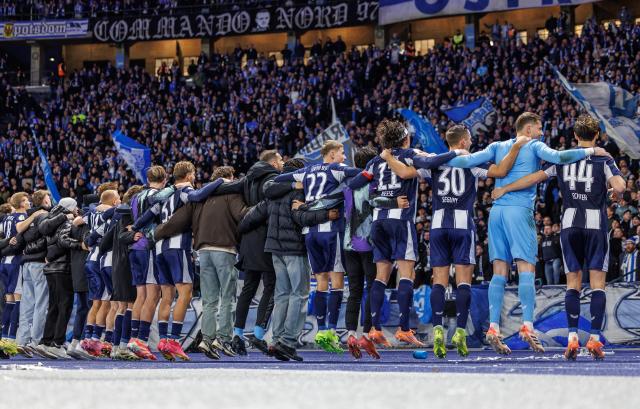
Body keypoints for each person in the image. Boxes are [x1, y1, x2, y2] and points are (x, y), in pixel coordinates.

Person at [447, 112, 611, 355]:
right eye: (539, 128)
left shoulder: (496, 145)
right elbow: (559, 157)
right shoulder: (534, 145)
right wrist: (590, 151)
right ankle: (527, 325)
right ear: (529, 129)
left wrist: (441, 158)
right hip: (519, 211)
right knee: (526, 268)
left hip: (496, 213)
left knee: (499, 271)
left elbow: (465, 161)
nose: (542, 132)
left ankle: (493, 326)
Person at [381, 125, 529, 358]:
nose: (471, 142)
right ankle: (460, 331)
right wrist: (516, 148)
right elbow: (500, 172)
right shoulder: (473, 162)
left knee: (439, 281)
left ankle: (438, 329)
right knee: (463, 283)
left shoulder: (434, 162)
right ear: (462, 142)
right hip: (462, 226)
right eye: (469, 138)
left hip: (438, 226)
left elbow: (405, 173)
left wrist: (388, 156)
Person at [492, 114, 626, 360]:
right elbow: (619, 188)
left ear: (575, 136)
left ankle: (573, 337)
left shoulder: (564, 159)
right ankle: (595, 339)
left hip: (569, 224)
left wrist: (505, 188)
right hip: (596, 224)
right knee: (597, 284)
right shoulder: (602, 158)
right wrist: (611, 175)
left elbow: (535, 178)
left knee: (572, 284)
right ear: (597, 136)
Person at [364, 120, 463, 351]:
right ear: (405, 138)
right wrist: (454, 152)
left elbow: (362, 189)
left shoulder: (374, 160)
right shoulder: (409, 153)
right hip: (401, 221)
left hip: (378, 222)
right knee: (406, 274)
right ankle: (404, 329)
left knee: (381, 276)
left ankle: (375, 328)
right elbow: (430, 161)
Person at [274, 141, 364, 353]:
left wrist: (296, 187)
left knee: (321, 281)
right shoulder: (337, 168)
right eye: (342, 153)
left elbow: (279, 178)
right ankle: (331, 331)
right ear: (331, 154)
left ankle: (321, 330)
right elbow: (359, 173)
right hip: (331, 230)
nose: (344, 157)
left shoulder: (306, 171)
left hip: (310, 233)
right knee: (337, 281)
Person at [155, 166, 249, 360]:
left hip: (203, 252)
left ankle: (206, 339)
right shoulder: (232, 194)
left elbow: (177, 221)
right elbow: (242, 216)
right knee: (228, 298)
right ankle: (222, 338)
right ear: (229, 178)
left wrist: (155, 234)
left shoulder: (198, 198)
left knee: (210, 300)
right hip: (224, 249)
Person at [131, 162, 222, 361]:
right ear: (189, 175)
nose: (195, 177)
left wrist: (135, 227)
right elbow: (196, 196)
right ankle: (173, 341)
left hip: (158, 249)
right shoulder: (184, 190)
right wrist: (219, 181)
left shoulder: (164, 194)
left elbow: (147, 216)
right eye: (194, 174)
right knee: (186, 292)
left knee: (167, 295)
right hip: (177, 246)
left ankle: (163, 339)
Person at [258, 158, 337, 361]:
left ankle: (276, 340)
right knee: (299, 294)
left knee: (282, 294)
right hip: (294, 248)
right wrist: (326, 215)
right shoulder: (298, 191)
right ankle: (289, 341)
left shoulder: (275, 190)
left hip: (275, 248)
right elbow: (300, 218)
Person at [213, 151, 284, 356]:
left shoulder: (246, 180)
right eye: (279, 160)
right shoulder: (273, 179)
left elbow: (222, 187)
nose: (282, 163)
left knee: (248, 289)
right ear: (271, 162)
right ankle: (259, 335)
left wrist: (201, 192)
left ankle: (237, 334)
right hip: (266, 240)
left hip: (247, 242)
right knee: (270, 287)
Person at [33, 198, 82, 359]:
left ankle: (46, 341)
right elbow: (63, 241)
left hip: (51, 268)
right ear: (70, 208)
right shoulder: (66, 222)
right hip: (62, 268)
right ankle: (57, 344)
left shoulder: (51, 220)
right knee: (64, 306)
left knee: (54, 306)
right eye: (75, 207)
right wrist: (79, 244)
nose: (78, 210)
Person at [80, 189, 121, 357]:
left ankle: (88, 338)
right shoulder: (113, 214)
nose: (119, 201)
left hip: (90, 258)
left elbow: (77, 221)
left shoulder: (90, 213)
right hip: (102, 260)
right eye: (117, 198)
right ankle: (98, 339)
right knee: (108, 303)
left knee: (96, 303)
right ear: (112, 201)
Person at [13, 190, 51, 357]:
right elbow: (47, 239)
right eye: (48, 197)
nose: (50, 200)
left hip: (26, 265)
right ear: (43, 200)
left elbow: (19, 236)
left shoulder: (28, 216)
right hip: (39, 263)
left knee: (27, 304)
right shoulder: (44, 215)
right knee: (41, 304)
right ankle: (36, 342)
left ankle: (21, 341)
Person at [0, 192, 32, 355]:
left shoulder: (6, 218)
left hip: (4, 261)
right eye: (26, 201)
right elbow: (20, 232)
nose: (29, 203)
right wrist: (33, 217)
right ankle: (11, 340)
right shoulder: (22, 217)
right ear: (20, 203)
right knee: (17, 302)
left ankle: (4, 338)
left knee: (8, 302)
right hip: (15, 262)